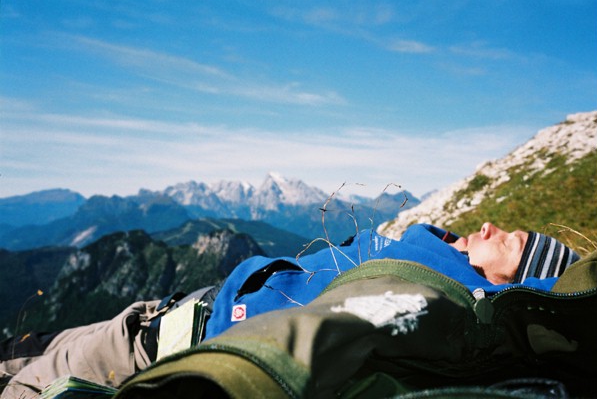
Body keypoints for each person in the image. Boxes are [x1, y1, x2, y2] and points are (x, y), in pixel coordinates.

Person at [0, 222, 581, 398]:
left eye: (511, 238)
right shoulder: (424, 249)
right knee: (24, 349)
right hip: (166, 312)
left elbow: (312, 341)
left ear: (517, 280)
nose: (491, 225)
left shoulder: (423, 299)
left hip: (150, 353)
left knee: (19, 384)